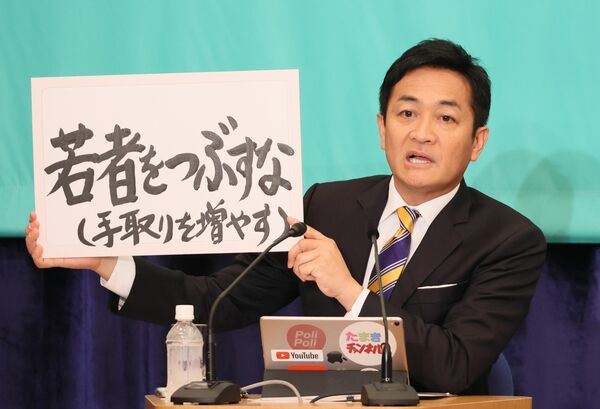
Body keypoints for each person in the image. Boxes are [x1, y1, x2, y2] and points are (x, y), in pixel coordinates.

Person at [25, 39, 546, 394]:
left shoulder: (508, 239)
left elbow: (457, 363)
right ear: (382, 128)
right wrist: (106, 263)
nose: (422, 133)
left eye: (446, 117)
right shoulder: (326, 207)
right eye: (406, 113)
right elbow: (219, 300)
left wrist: (350, 292)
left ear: (477, 141)